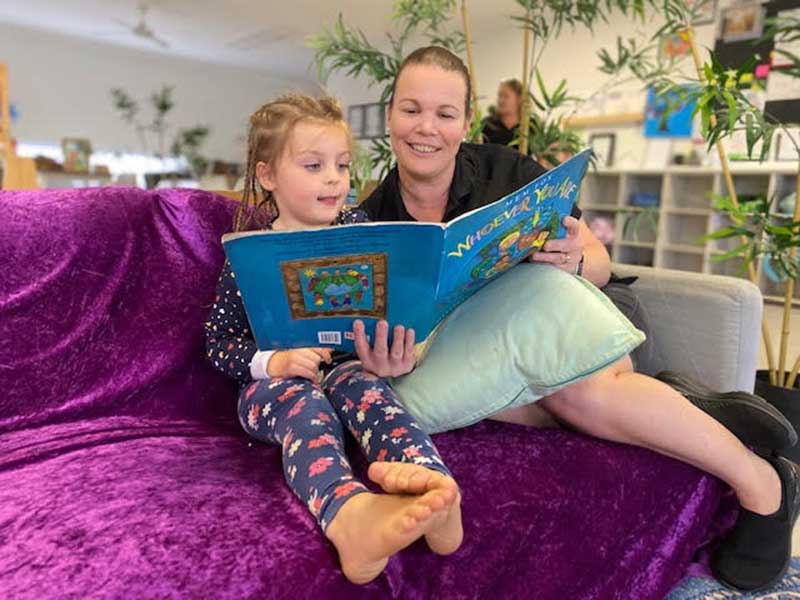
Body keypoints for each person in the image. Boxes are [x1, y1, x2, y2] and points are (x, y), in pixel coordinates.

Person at [358, 46, 799, 592]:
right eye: (411, 109)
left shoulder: (510, 172)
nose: (426, 128)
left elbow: (598, 262)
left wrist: (574, 258)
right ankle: (687, 410)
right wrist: (383, 357)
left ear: (466, 121)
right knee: (541, 391)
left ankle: (759, 484)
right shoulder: (370, 217)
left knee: (570, 389)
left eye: (445, 114)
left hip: (581, 310)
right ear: (390, 115)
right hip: (486, 347)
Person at [204, 93, 463, 585]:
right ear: (268, 176)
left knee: (374, 396)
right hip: (275, 389)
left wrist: (395, 346)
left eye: (343, 165)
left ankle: (434, 486)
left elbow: (388, 309)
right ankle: (349, 517)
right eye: (313, 165)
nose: (334, 178)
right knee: (306, 408)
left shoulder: (359, 228)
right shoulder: (250, 253)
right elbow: (219, 342)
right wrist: (273, 363)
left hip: (349, 367)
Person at [481, 78, 523, 147]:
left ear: (519, 99)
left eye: (506, 96)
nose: (501, 100)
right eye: (500, 95)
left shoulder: (529, 126)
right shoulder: (487, 124)